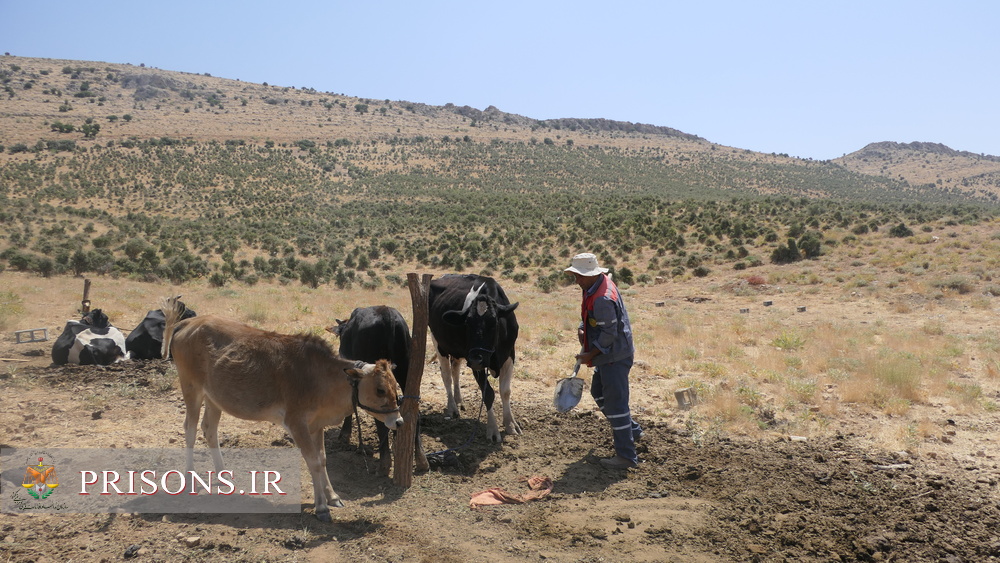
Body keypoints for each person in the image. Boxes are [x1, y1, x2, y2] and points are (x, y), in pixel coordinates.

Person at [564, 252, 643, 469]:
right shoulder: (593, 287)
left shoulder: (602, 297)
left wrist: (591, 354)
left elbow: (609, 332)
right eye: (575, 276)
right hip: (608, 356)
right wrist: (583, 329)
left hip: (613, 357)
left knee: (616, 404)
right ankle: (632, 431)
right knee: (598, 393)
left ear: (591, 275)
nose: (577, 280)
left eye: (579, 276)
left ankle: (626, 457)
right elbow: (590, 318)